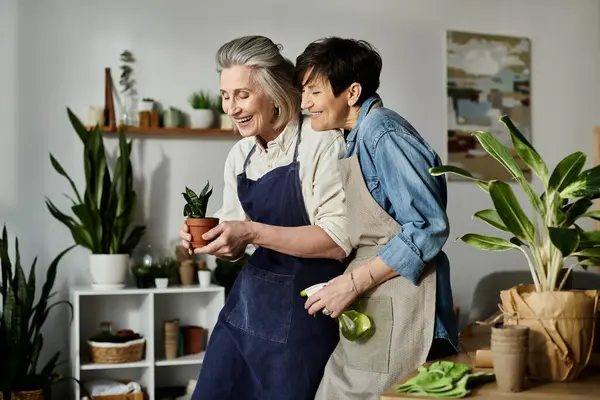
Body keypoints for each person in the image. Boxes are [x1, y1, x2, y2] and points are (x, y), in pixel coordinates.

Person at [179, 35, 352, 400]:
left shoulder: (321, 142)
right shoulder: (241, 155)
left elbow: (337, 242)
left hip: (306, 311)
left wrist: (250, 232)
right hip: (247, 310)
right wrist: (216, 240)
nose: (231, 107)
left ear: (274, 92)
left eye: (242, 95)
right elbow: (236, 248)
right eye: (225, 96)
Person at [295, 37, 459, 399]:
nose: (305, 103)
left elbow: (428, 228)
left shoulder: (383, 133)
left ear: (351, 92)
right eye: (303, 92)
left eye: (314, 92)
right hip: (381, 296)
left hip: (404, 297)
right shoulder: (355, 135)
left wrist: (353, 283)